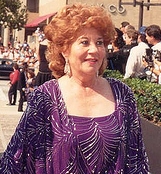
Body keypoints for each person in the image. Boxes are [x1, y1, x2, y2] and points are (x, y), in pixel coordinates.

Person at [0, 3, 149, 173]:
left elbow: (137, 161)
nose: (94, 49)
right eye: (84, 42)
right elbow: (15, 161)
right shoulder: (45, 97)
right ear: (64, 50)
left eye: (99, 42)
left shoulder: (122, 94)